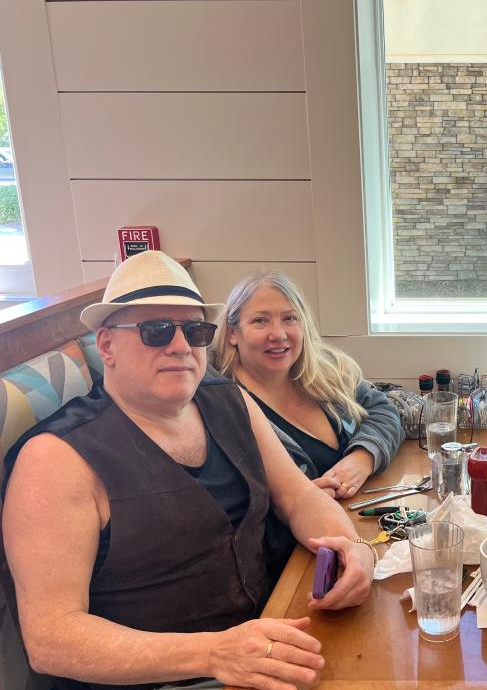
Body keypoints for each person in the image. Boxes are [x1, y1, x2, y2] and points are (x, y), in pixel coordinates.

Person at [1, 251, 376, 690]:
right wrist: (214, 653)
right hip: (167, 680)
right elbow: (50, 639)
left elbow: (298, 495)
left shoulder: (228, 400)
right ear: (106, 345)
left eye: (195, 331)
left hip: (275, 640)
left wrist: (353, 548)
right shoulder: (56, 459)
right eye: (156, 330)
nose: (180, 346)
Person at [212, 270, 403, 500]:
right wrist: (296, 501)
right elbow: (229, 498)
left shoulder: (327, 370)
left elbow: (383, 410)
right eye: (260, 321)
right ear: (233, 332)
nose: (279, 334)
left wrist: (364, 457)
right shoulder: (222, 405)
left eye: (289, 318)